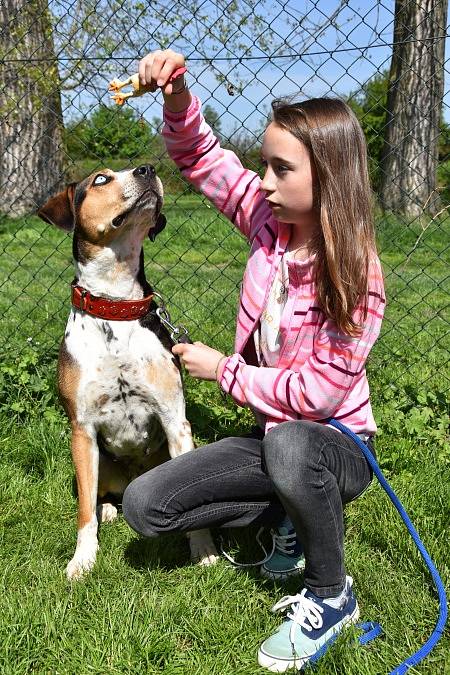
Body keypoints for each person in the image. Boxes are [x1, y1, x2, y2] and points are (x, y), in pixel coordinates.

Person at [122, 49, 385, 672]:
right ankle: (290, 514)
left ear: (328, 177)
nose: (262, 181)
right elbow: (202, 159)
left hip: (337, 446)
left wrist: (225, 371)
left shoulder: (357, 274)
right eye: (263, 166)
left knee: (295, 445)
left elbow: (320, 396)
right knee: (145, 506)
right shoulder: (269, 223)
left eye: (279, 168)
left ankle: (331, 593)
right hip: (273, 437)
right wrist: (178, 96)